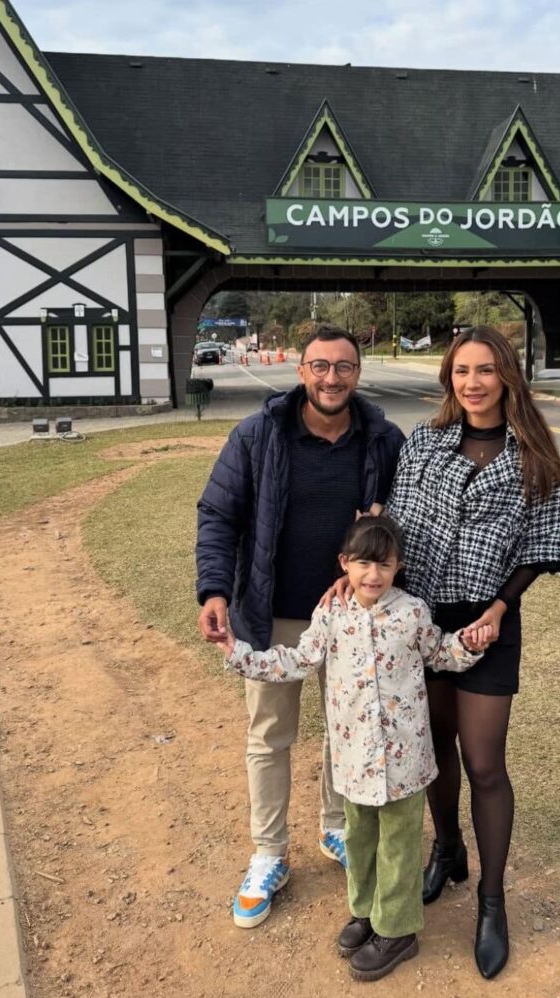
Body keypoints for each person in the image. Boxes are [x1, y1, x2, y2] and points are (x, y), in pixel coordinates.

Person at [216, 518, 492, 980]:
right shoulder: (331, 614)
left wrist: (470, 642)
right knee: (359, 840)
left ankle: (398, 930)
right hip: (354, 760)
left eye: (384, 564)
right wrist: (238, 654)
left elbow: (440, 654)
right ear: (345, 563)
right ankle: (366, 912)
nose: (373, 574)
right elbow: (297, 659)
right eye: (363, 563)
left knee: (398, 845)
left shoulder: (412, 612)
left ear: (398, 565)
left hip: (405, 760)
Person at [196, 323, 405, 929]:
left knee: (349, 730)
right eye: (320, 366)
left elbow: (406, 517)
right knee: (269, 736)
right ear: (300, 371)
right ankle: (269, 852)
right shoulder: (257, 435)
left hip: (352, 621)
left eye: (343, 367)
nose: (331, 378)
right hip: (271, 615)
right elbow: (218, 514)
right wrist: (215, 590)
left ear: (357, 374)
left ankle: (336, 826)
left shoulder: (383, 440)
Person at [385, 324, 560, 979]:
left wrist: (499, 607)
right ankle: (447, 850)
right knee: (435, 750)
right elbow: (396, 525)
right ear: (449, 378)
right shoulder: (423, 443)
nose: (473, 382)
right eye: (461, 370)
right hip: (425, 620)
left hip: (489, 623)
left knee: (484, 762)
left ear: (506, 375)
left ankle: (492, 902)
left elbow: (540, 547)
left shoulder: (534, 455)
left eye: (485, 370)